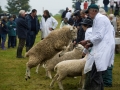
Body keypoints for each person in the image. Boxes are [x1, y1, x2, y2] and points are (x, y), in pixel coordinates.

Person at [80, 4, 115, 90]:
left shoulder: (100, 19)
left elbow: (99, 36)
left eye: (89, 13)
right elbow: (98, 36)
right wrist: (90, 44)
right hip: (102, 46)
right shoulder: (97, 19)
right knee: (96, 73)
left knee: (95, 74)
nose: (88, 15)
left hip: (103, 48)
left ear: (94, 11)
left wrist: (87, 41)